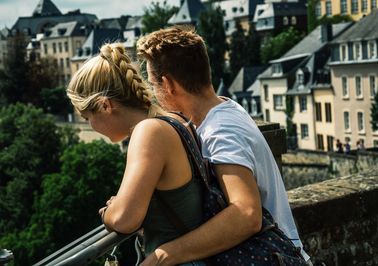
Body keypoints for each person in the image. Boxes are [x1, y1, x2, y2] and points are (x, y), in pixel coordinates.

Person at [136, 26, 310, 265]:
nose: (155, 94)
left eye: (154, 86)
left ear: (168, 84)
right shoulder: (225, 109)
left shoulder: (220, 131)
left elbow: (246, 214)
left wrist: (164, 255)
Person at [66, 43, 205, 263]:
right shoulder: (173, 120)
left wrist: (109, 211)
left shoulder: (149, 132)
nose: (89, 125)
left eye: (86, 117)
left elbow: (123, 219)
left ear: (104, 106)